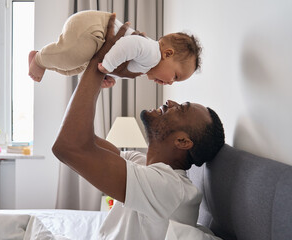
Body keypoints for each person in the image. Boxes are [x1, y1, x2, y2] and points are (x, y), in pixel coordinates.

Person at [52, 14, 225, 240]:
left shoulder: (171, 188)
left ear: (183, 142)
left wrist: (100, 63)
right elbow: (83, 139)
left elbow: (68, 146)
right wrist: (105, 71)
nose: (170, 101)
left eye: (181, 108)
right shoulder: (143, 164)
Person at [28, 10, 201, 88]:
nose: (170, 83)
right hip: (95, 28)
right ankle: (39, 59)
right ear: (168, 53)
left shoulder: (146, 65)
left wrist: (108, 75)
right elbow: (128, 45)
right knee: (70, 57)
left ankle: (43, 63)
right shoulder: (152, 53)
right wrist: (108, 65)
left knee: (74, 67)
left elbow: (123, 61)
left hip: (95, 41)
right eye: (176, 76)